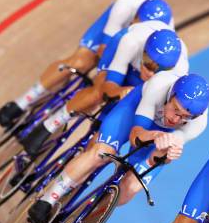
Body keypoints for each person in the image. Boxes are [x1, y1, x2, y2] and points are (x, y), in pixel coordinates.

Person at [26, 73, 209, 223]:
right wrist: (155, 136)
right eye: (175, 110)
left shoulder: (199, 124)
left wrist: (169, 154)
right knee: (100, 153)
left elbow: (161, 156)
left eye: (185, 117)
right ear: (170, 95)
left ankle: (81, 221)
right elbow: (136, 135)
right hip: (133, 114)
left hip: (160, 137)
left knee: (130, 188)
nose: (176, 119)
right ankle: (49, 199)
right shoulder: (158, 86)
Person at [0, 0, 173, 128]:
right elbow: (104, 49)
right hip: (112, 33)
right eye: (137, 23)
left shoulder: (163, 39)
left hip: (137, 52)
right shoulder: (126, 5)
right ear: (134, 17)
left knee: (98, 95)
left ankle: (54, 127)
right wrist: (104, 74)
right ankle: (23, 101)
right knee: (81, 61)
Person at [19, 24, 188, 155]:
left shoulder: (177, 76)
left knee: (106, 136)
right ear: (143, 51)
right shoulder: (131, 42)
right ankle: (50, 124)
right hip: (121, 56)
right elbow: (110, 86)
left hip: (146, 86)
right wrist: (118, 91)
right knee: (99, 92)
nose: (150, 72)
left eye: (157, 70)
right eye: (148, 64)